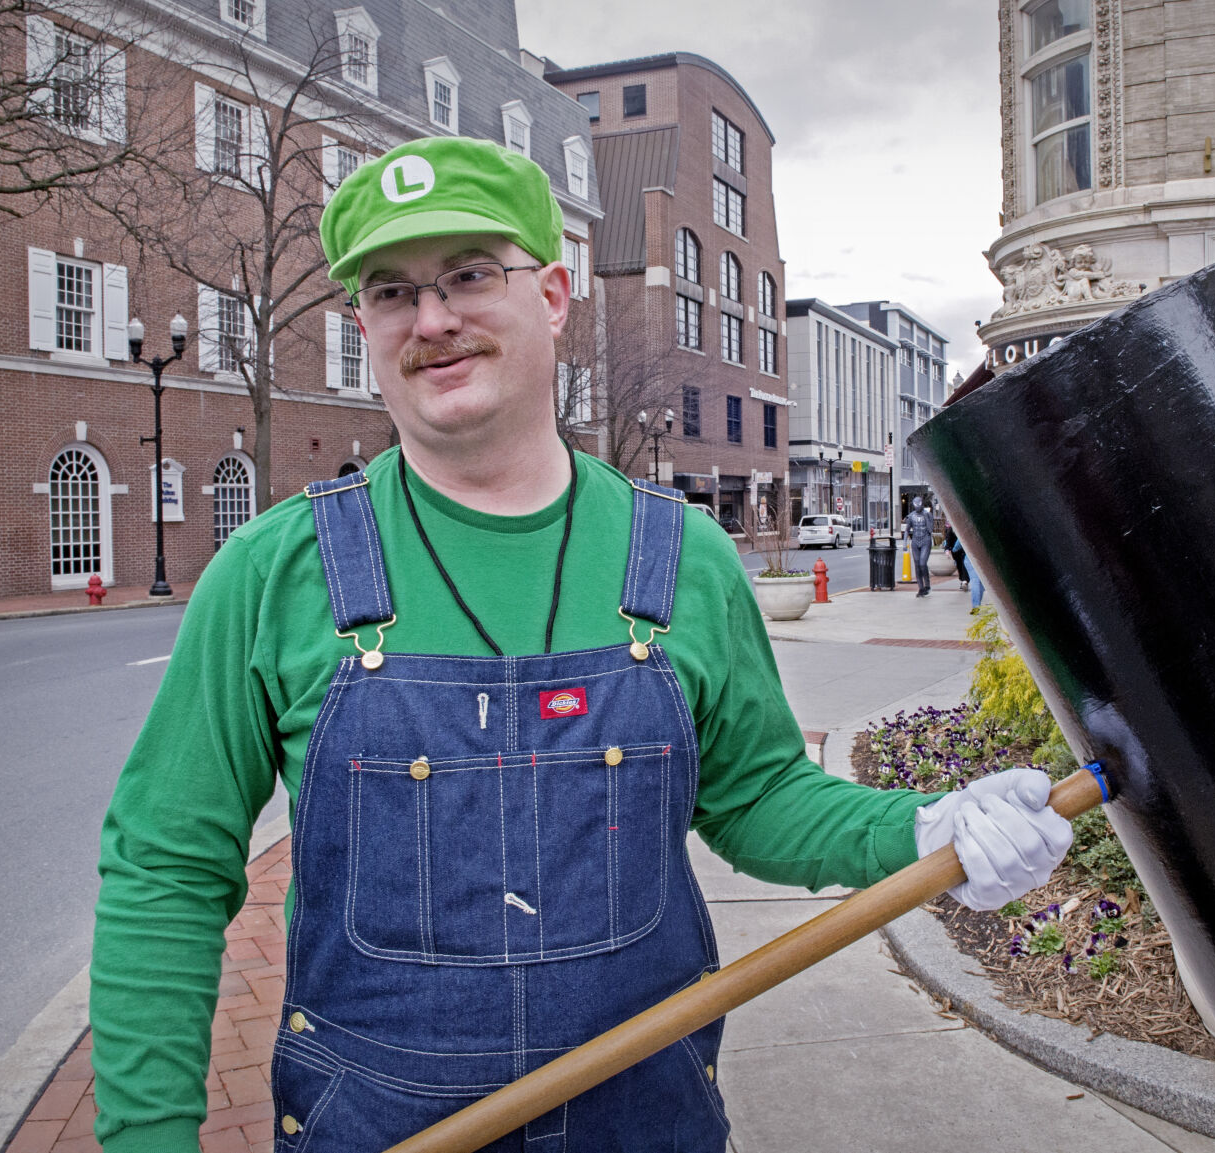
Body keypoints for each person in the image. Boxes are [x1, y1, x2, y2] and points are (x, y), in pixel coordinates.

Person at [87, 137, 1075, 1153]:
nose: (431, 321)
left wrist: (924, 832)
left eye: (471, 274)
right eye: (392, 293)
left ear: (555, 296)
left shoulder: (680, 555)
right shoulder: (273, 571)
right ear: (363, 326)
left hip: (647, 1123)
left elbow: (759, 796)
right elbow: (164, 868)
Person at [904, 496, 935, 597]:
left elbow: (930, 530)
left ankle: (927, 585)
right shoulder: (911, 516)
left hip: (925, 540)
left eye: (919, 505)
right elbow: (907, 530)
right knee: (917, 565)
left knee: (922, 563)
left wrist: (927, 517)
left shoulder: (928, 514)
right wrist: (905, 543)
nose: (918, 507)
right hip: (915, 541)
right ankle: (921, 588)